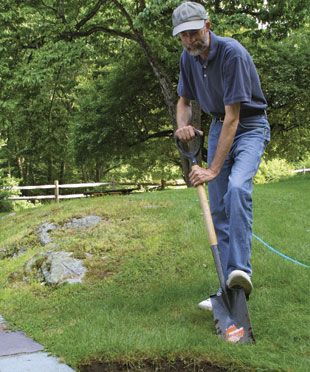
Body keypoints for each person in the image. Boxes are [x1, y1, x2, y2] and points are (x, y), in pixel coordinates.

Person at [172, 2, 270, 311]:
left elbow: (234, 118)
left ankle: (240, 272)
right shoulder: (188, 59)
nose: (189, 40)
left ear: (207, 25)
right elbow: (184, 99)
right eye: (183, 35)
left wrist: (213, 168)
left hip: (249, 126)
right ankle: (228, 287)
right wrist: (183, 125)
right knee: (218, 210)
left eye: (193, 32)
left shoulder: (232, 54)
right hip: (218, 126)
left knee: (237, 188)